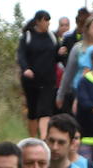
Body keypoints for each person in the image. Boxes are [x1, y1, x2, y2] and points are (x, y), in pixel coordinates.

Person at [18, 11, 59, 139]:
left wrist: (61, 53)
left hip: (48, 80)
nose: (48, 24)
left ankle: (43, 139)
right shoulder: (27, 36)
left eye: (49, 21)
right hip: (31, 81)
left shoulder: (52, 37)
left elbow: (56, 56)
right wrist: (26, 69)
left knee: (45, 110)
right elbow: (21, 55)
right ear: (38, 21)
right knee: (33, 111)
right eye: (45, 21)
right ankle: (32, 138)